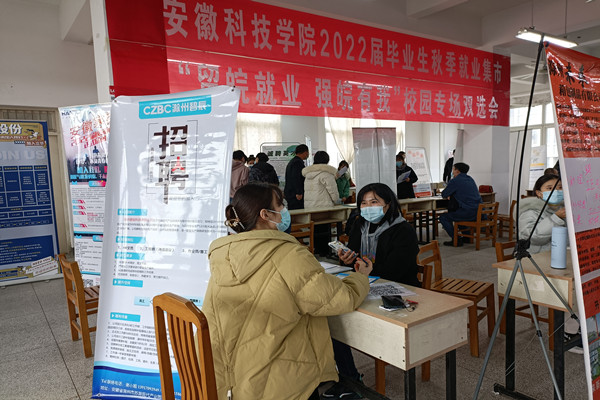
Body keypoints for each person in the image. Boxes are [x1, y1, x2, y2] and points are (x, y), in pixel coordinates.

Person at [203, 182, 371, 400]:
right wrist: (360, 277)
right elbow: (340, 299)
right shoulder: (288, 255)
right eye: (280, 205)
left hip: (231, 379)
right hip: (279, 379)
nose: (284, 210)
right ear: (265, 214)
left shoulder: (224, 255)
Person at [330, 182, 419, 384]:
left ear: (388, 204)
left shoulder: (403, 230)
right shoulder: (360, 225)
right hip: (365, 284)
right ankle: (347, 375)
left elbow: (398, 269)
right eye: (364, 203)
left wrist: (368, 270)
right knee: (334, 318)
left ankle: (353, 374)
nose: (368, 207)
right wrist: (347, 259)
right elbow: (355, 257)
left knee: (351, 317)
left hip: (398, 288)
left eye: (374, 202)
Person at [302, 151, 340, 256]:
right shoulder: (326, 173)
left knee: (315, 228)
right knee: (325, 228)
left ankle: (317, 249)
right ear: (327, 160)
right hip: (323, 206)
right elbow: (332, 190)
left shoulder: (308, 174)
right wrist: (336, 200)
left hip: (310, 207)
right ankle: (325, 251)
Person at [518, 173, 566, 254]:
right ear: (539, 193)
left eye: (560, 187)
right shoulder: (529, 212)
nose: (556, 191)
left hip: (561, 255)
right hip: (537, 257)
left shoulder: (563, 209)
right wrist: (556, 218)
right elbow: (532, 238)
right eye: (549, 188)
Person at [439, 162, 482, 247]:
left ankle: (456, 239)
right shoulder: (470, 179)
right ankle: (467, 237)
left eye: (453, 169)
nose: (452, 171)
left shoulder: (455, 180)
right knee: (458, 213)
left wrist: (450, 194)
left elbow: (444, 194)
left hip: (468, 212)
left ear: (457, 171)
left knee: (443, 217)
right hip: (478, 212)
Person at [284, 144, 310, 210]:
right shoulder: (297, 163)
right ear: (305, 152)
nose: (308, 154)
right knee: (298, 212)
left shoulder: (293, 161)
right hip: (295, 194)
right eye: (308, 152)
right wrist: (298, 192)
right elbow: (296, 178)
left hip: (291, 192)